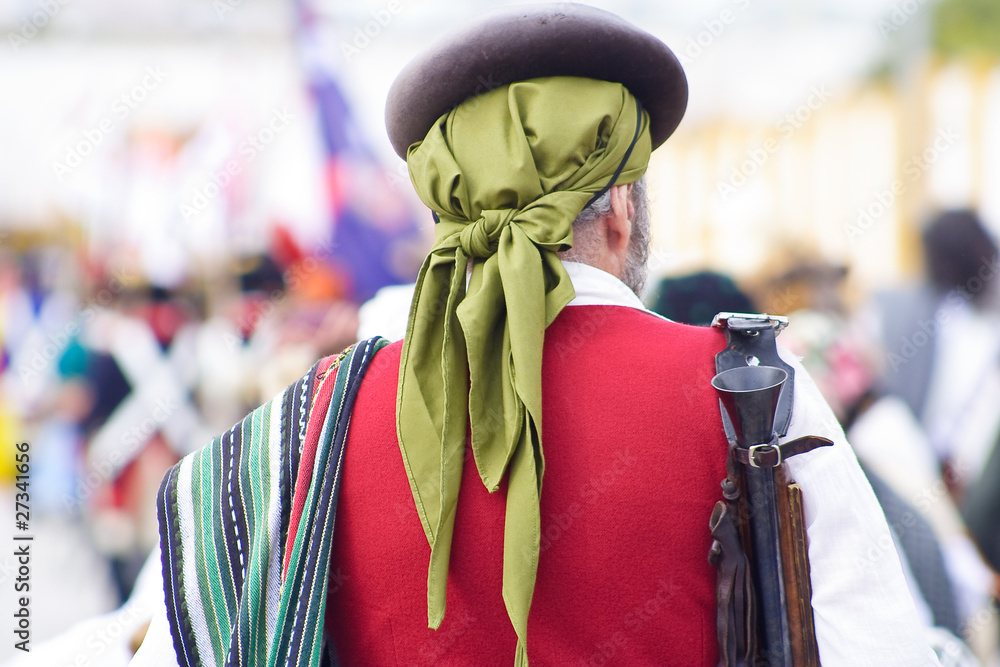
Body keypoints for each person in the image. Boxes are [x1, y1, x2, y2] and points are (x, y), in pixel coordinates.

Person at [133, 4, 939, 665]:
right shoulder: (754, 389)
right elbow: (881, 649)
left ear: (451, 210)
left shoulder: (311, 422)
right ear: (621, 206)